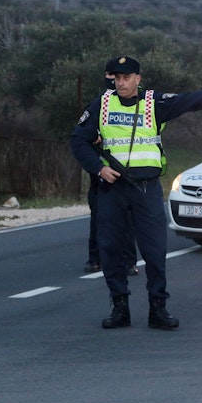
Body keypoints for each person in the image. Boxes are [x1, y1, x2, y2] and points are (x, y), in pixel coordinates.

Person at [71, 56, 202, 330]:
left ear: (138, 78)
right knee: (110, 249)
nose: (121, 83)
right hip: (113, 188)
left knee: (155, 250)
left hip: (146, 187)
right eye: (117, 78)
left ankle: (158, 308)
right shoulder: (101, 104)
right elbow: (79, 140)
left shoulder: (153, 103)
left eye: (127, 77)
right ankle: (119, 307)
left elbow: (191, 100)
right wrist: (99, 169)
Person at [84, 70, 138, 275]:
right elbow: (83, 136)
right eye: (114, 79)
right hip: (101, 172)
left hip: (125, 170)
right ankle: (95, 259)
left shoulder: (134, 106)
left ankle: (127, 261)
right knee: (100, 216)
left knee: (125, 217)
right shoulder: (98, 106)